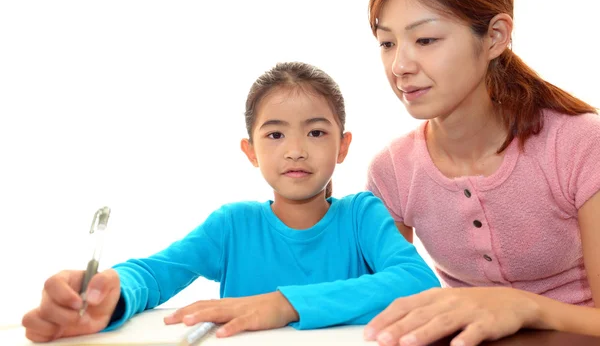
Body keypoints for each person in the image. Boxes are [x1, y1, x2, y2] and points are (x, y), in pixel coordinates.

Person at [21, 61, 440, 342]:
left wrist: (281, 305)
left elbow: (418, 282)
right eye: (275, 134)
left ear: (343, 146)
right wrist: (112, 292)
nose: (295, 150)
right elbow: (153, 273)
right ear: (250, 150)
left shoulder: (361, 216)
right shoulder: (232, 226)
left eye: (315, 132)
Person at [361, 0, 600, 346]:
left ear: (495, 36)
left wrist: (524, 307)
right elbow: (382, 307)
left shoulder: (579, 145)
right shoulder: (392, 171)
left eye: (425, 39)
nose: (400, 65)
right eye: (387, 43)